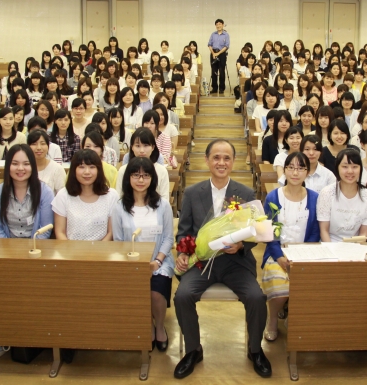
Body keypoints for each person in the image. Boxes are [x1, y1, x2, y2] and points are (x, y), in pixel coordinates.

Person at [174, 139, 270, 379]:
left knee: (257, 297)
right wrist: (183, 253)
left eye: (227, 158)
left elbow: (255, 233)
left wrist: (241, 245)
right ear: (207, 160)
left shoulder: (245, 193)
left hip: (235, 263)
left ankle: (255, 350)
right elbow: (184, 232)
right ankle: (193, 350)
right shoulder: (192, 193)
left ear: (233, 162)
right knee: (182, 296)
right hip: (202, 263)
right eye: (216, 157)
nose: (221, 162)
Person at [110, 157, 174, 352]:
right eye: (136, 175)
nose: (140, 180)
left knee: (156, 293)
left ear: (152, 179)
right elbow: (119, 241)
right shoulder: (119, 207)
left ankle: (160, 326)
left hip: (160, 260)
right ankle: (147, 326)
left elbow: (168, 238)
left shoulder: (163, 205)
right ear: (128, 178)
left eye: (145, 176)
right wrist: (135, 264)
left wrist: (157, 261)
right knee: (138, 293)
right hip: (131, 262)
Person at [262, 152, 320, 341]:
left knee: (310, 288)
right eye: (291, 167)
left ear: (307, 172)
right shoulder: (273, 196)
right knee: (280, 289)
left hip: (305, 255)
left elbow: (315, 232)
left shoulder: (314, 198)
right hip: (277, 253)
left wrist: (301, 257)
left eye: (301, 168)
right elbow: (269, 232)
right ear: (284, 170)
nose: (295, 173)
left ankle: (295, 316)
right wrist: (279, 256)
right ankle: (272, 319)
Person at [0, 144, 54, 240]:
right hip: (6, 245)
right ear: (8, 165)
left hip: (37, 246)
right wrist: (7, 247)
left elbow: (45, 230)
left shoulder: (45, 192)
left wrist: (32, 247)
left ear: (33, 166)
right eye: (15, 164)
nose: (20, 168)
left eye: (26, 164)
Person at [52, 149, 118, 241]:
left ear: (99, 170)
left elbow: (111, 232)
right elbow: (60, 232)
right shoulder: (63, 195)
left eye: (92, 167)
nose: (87, 172)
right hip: (70, 248)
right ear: (74, 170)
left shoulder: (111, 196)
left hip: (102, 248)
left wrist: (98, 249)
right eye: (81, 167)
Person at [317, 148, 367, 241]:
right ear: (337, 168)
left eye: (354, 167)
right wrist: (331, 250)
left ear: (360, 168)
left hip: (356, 245)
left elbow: (363, 233)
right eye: (345, 166)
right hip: (330, 244)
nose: (350, 171)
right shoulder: (327, 193)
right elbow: (324, 231)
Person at [115, 127, 170, 200]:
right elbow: (119, 198)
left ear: (153, 147)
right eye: (137, 146)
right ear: (132, 147)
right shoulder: (123, 170)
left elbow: (165, 200)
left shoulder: (162, 171)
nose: (141, 150)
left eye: (146, 145)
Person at [27, 130, 65, 195]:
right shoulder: (24, 168)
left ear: (48, 146)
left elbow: (61, 196)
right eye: (34, 144)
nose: (39, 148)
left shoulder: (57, 169)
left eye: (43, 144)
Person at [207, 19, 230, 95]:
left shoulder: (226, 35)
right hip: (213, 53)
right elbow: (209, 44)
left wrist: (218, 53)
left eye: (220, 24)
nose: (218, 26)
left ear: (223, 25)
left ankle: (221, 88)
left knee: (221, 71)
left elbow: (226, 46)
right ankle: (214, 88)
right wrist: (213, 53)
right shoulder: (213, 34)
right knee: (214, 71)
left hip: (222, 53)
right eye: (217, 24)